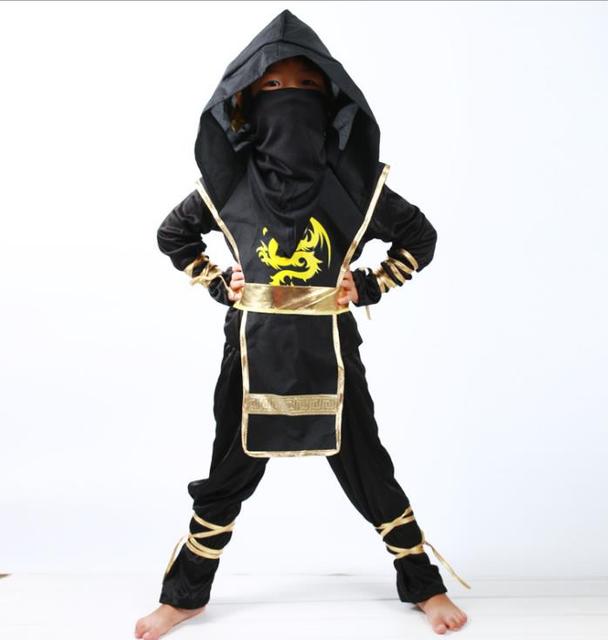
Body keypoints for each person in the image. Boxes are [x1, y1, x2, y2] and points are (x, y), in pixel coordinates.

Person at [135, 10, 469, 639]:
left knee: (369, 468)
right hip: (251, 354)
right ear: (246, 101)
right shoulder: (227, 187)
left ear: (332, 100)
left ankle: (423, 585)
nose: (290, 96)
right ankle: (185, 595)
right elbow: (172, 235)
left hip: (330, 353)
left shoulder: (354, 188)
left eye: (307, 87)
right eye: (274, 86)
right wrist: (219, 282)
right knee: (227, 474)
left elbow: (419, 238)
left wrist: (368, 283)